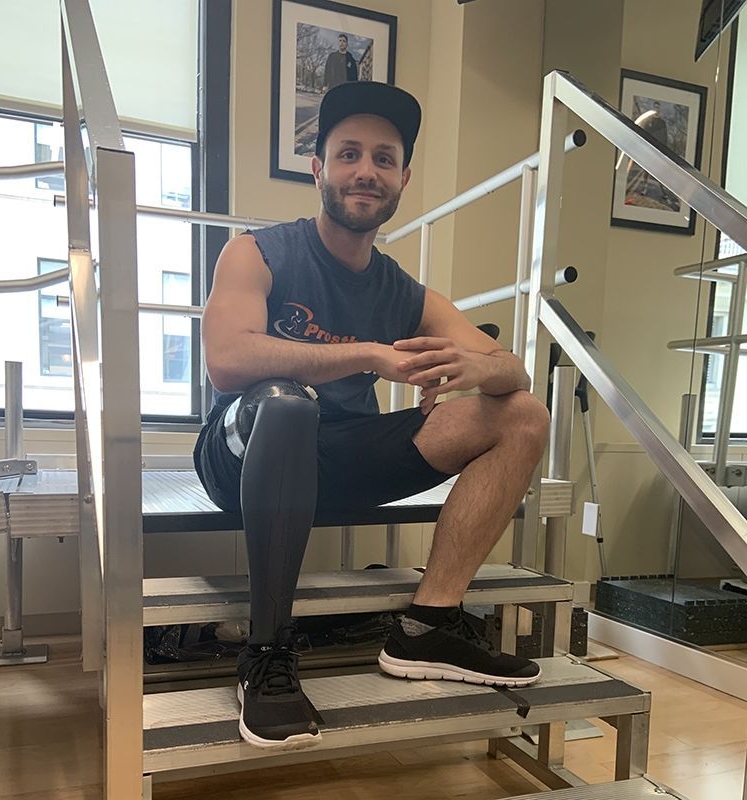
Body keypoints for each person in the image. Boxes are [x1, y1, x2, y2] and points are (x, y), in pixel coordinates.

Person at [194, 81, 550, 750]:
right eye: (349, 153)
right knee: (286, 405)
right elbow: (227, 360)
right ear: (319, 169)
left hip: (342, 454)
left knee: (523, 414)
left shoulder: (403, 289)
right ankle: (267, 653)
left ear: (402, 178)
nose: (366, 171)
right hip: (241, 452)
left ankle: (428, 626)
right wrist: (368, 356)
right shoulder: (258, 251)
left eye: (384, 159)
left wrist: (479, 369)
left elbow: (513, 370)